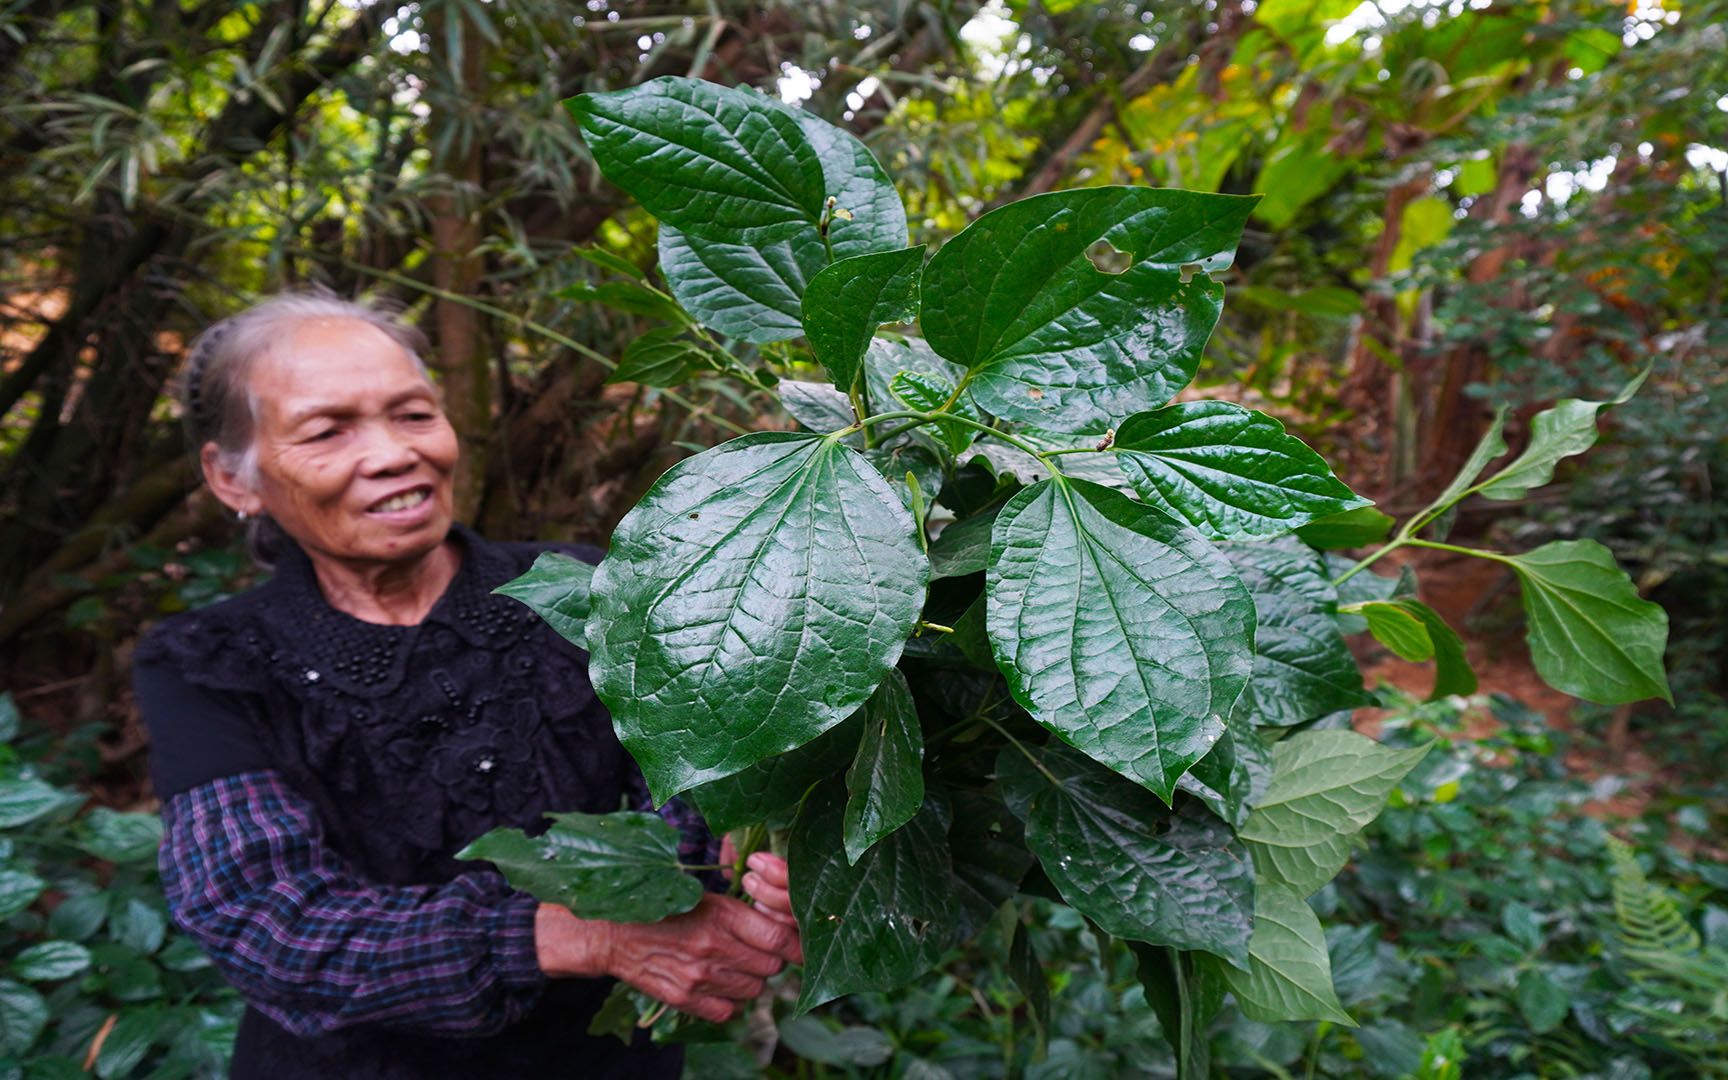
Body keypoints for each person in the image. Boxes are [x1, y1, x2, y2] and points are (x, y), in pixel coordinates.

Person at [132, 292, 800, 1079]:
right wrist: (577, 934)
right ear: (232, 476)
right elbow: (268, 922)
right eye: (327, 430)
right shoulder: (209, 660)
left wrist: (759, 866)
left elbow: (692, 800)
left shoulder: (585, 588)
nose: (391, 454)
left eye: (414, 415)